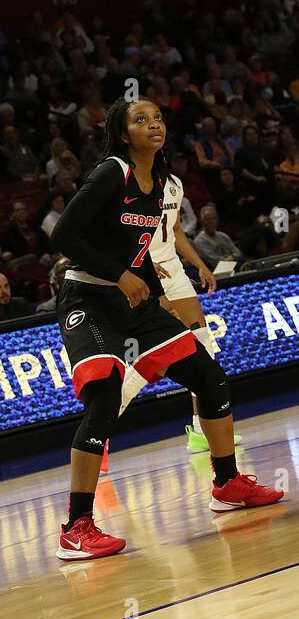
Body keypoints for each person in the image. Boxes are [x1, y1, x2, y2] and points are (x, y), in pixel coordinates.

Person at [50, 99, 282, 560]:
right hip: (89, 298)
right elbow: (63, 236)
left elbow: (141, 249)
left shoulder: (160, 182)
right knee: (104, 399)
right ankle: (77, 527)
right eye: (141, 120)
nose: (153, 125)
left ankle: (227, 482)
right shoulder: (110, 173)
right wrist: (120, 275)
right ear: (122, 134)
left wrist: (159, 299)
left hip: (134, 298)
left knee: (208, 375)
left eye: (157, 118)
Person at [103, 165, 243, 463]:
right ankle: (98, 434)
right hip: (144, 273)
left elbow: (176, 231)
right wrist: (143, 269)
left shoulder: (175, 184)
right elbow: (120, 236)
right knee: (151, 362)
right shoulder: (130, 184)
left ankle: (199, 428)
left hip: (175, 271)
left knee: (202, 344)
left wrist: (199, 264)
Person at [193, 203, 242, 270]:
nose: (212, 222)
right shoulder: (199, 241)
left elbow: (238, 252)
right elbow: (213, 262)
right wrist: (231, 259)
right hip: (217, 271)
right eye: (208, 219)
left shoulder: (223, 236)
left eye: (214, 218)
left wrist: (232, 257)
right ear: (202, 222)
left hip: (234, 265)